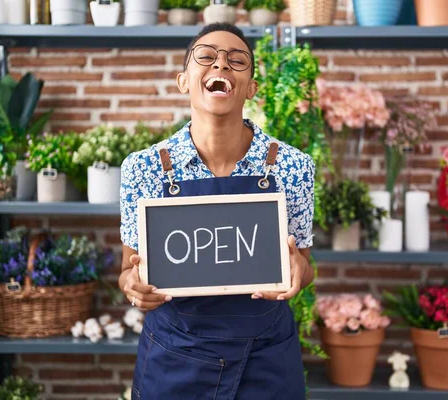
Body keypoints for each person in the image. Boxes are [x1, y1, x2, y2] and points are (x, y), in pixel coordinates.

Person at [118, 23, 316, 400]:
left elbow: (304, 266)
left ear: (252, 88)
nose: (221, 64)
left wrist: (298, 272)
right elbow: (130, 268)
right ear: (183, 81)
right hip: (174, 358)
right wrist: (132, 286)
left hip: (267, 361)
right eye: (206, 56)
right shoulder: (143, 168)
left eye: (236, 60)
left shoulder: (294, 166)